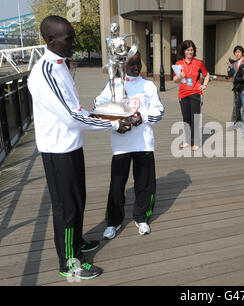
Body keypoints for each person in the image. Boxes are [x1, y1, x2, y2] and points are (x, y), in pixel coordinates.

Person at [27, 15, 132, 280]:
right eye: (69, 38)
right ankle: (69, 262)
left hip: (71, 146)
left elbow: (77, 109)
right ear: (51, 39)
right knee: (66, 207)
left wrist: (108, 112)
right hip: (58, 150)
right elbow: (73, 117)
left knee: (78, 200)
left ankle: (75, 242)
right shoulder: (46, 72)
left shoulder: (61, 65)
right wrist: (113, 123)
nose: (74, 43)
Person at [94, 52, 164, 239]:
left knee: (145, 184)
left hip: (143, 143)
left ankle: (142, 217)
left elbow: (159, 112)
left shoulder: (148, 85)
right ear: (122, 65)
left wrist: (144, 117)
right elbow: (98, 105)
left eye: (138, 63)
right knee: (117, 186)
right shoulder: (114, 85)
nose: (135, 67)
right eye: (131, 64)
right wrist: (115, 121)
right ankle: (114, 222)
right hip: (120, 143)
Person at [173, 40, 210, 151]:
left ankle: (197, 142)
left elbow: (206, 74)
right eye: (188, 50)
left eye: (192, 50)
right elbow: (175, 80)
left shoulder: (199, 63)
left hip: (195, 93)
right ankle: (188, 141)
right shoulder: (179, 64)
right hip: (183, 94)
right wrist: (180, 76)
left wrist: (204, 85)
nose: (190, 52)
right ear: (184, 51)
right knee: (186, 118)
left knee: (195, 118)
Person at [227, 45, 244, 125]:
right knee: (236, 103)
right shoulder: (234, 63)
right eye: (235, 52)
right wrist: (229, 67)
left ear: (242, 53)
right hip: (236, 86)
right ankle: (237, 119)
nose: (237, 54)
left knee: (243, 105)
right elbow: (230, 74)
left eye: (239, 52)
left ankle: (234, 121)